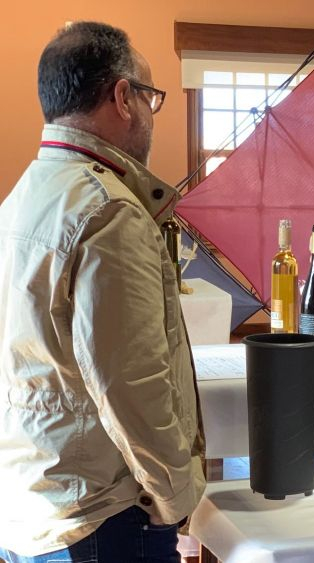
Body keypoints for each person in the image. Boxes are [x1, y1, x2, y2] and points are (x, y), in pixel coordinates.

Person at [0, 22, 204, 563]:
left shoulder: (26, 194)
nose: (153, 115)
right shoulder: (109, 211)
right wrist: (174, 497)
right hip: (102, 515)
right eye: (151, 98)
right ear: (123, 97)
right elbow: (131, 384)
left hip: (32, 498)